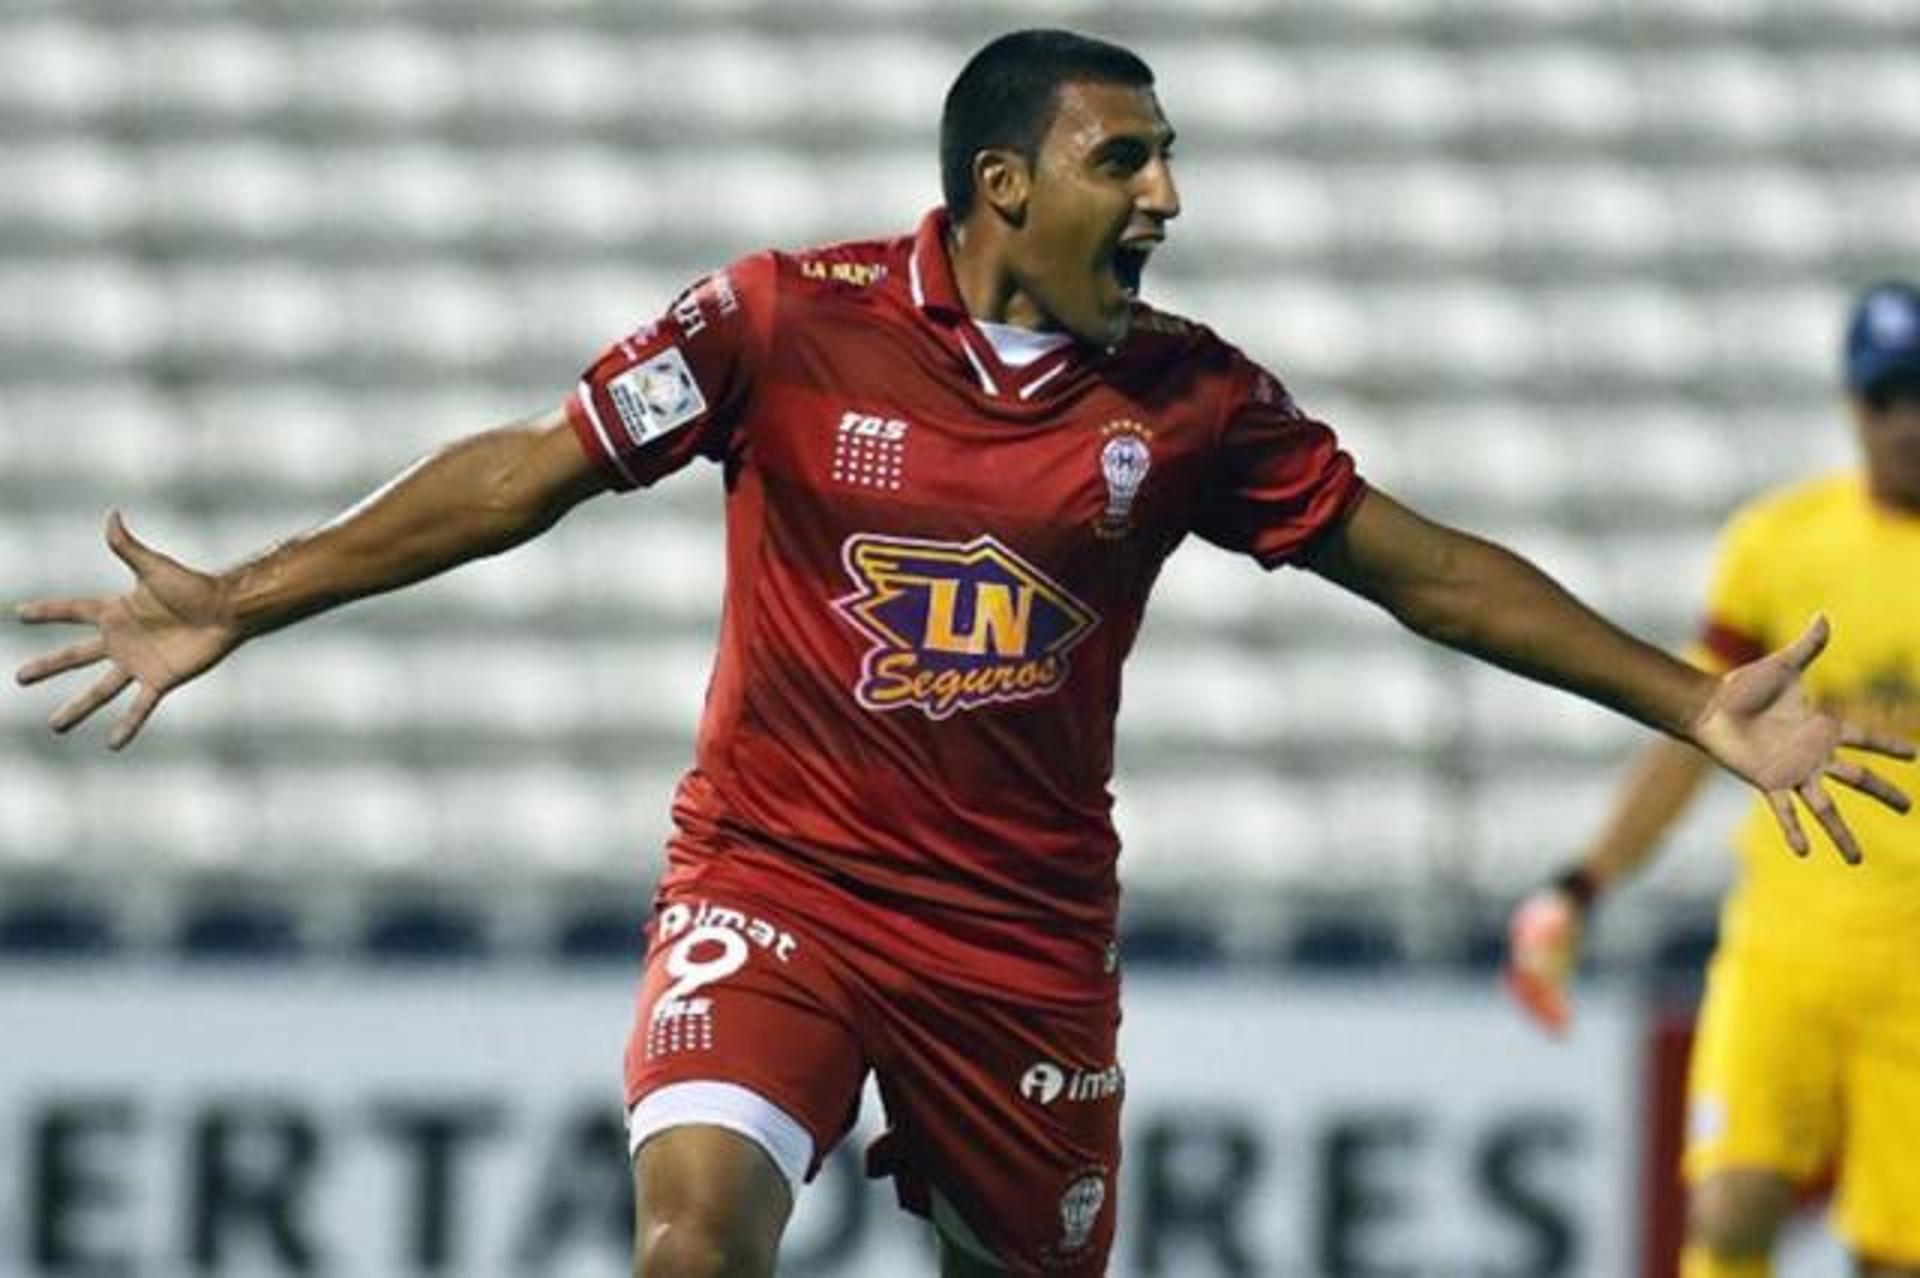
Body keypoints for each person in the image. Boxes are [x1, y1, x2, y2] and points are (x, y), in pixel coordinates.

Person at [13, 29, 1912, 1278]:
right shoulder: (783, 318)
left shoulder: (1188, 400)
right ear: (1006, 183)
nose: (1163, 197)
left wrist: (1687, 698)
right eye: (1128, 161)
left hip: (1016, 938)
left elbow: (1421, 570)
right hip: (780, 878)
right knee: (691, 1245)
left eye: (1166, 162)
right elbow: (529, 470)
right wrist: (242, 597)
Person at [1504, 280, 1920, 1278]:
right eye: (1888, 396)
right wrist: (1583, 882)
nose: (1909, 422)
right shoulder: (1778, 545)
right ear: (1852, 404)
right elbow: (1694, 735)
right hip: (1784, 948)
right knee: (1733, 1201)